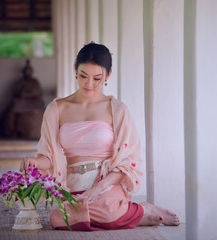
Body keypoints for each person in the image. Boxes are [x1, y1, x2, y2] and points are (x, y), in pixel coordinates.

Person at [20, 43, 180, 230]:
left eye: (97, 78)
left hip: (106, 184)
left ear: (108, 75)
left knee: (106, 210)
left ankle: (143, 210)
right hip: (73, 186)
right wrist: (36, 163)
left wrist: (98, 188)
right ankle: (131, 214)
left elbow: (128, 161)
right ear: (75, 69)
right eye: (83, 76)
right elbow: (48, 157)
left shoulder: (117, 109)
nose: (89, 84)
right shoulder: (57, 108)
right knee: (58, 218)